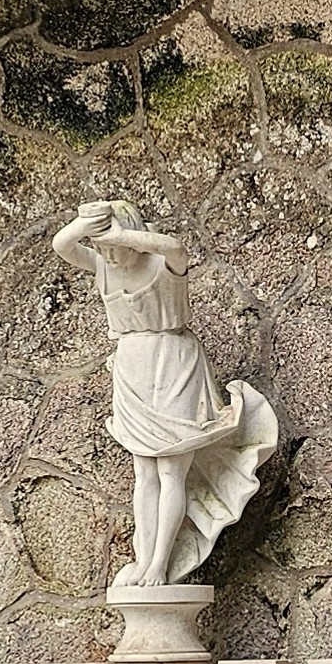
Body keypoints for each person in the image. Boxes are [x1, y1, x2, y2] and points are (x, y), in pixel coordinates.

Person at [51, 199, 279, 589]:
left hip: (173, 364)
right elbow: (62, 246)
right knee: (144, 472)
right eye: (102, 249)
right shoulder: (104, 265)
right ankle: (144, 559)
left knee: (172, 469)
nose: (109, 256)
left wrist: (124, 235)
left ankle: (160, 563)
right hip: (133, 369)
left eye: (114, 247)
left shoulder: (161, 263)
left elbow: (177, 248)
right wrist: (88, 226)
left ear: (132, 238)